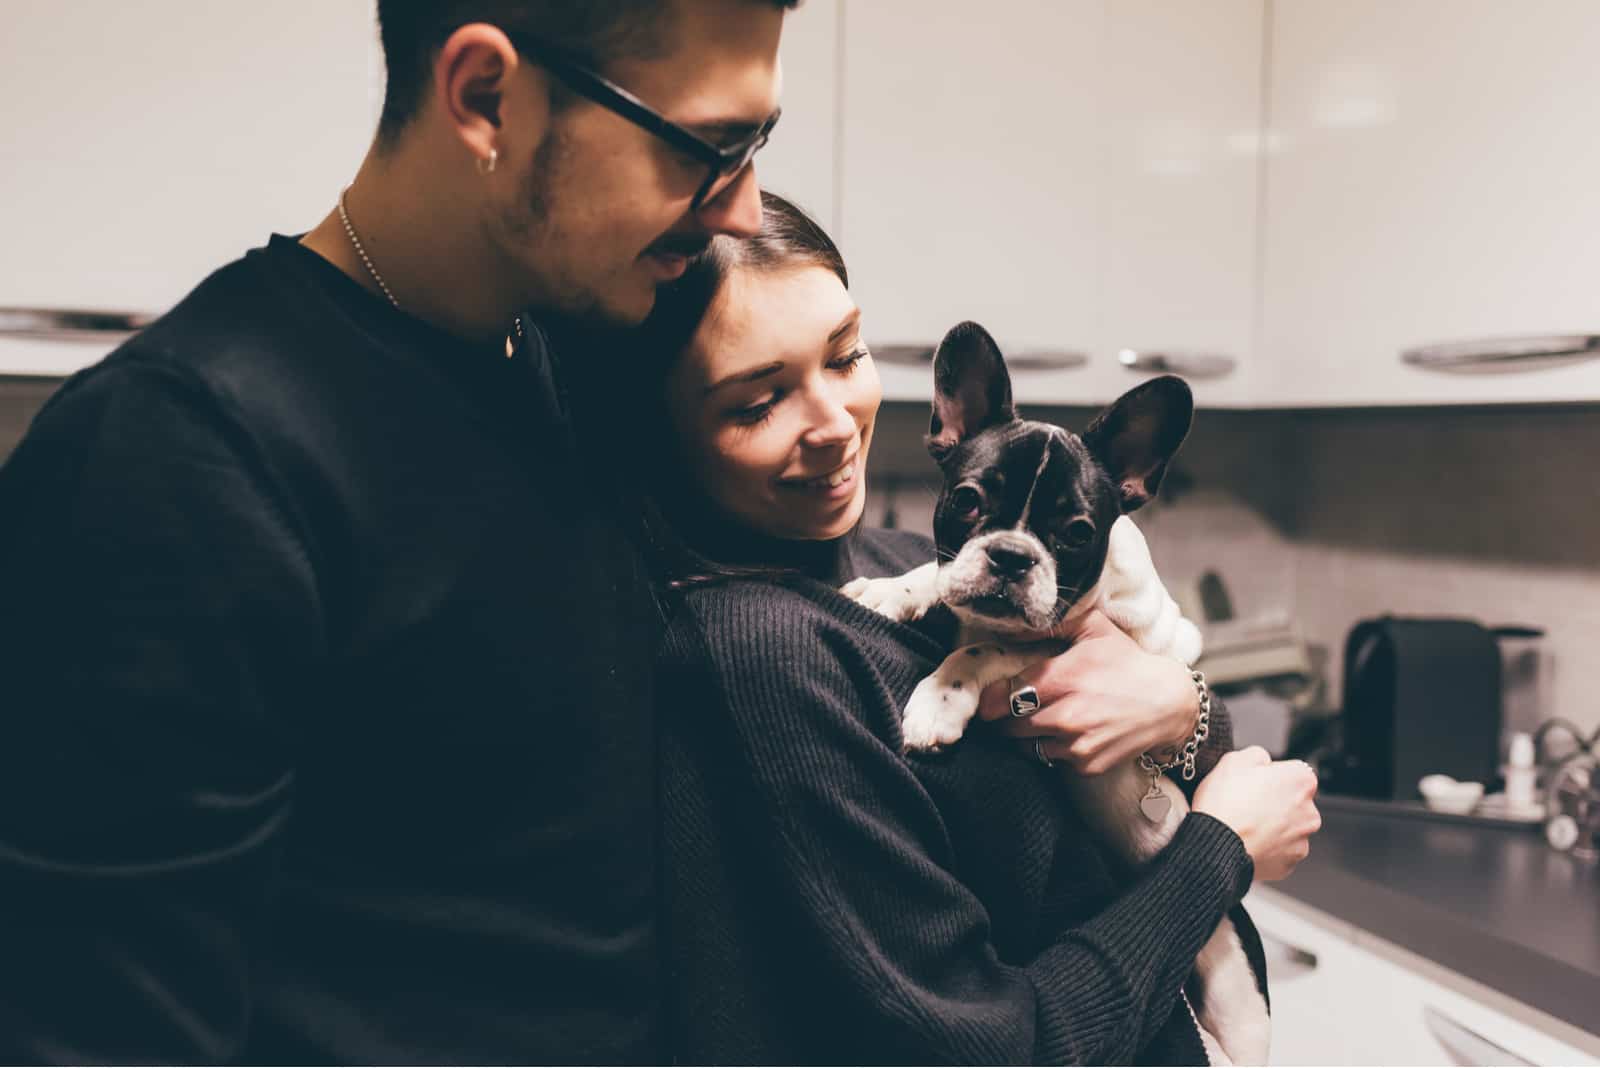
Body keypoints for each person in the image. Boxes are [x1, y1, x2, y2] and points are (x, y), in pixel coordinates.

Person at [0, 2, 795, 1062]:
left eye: (758, 145)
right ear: (484, 98)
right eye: (712, 148)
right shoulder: (177, 460)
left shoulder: (566, 350)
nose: (741, 210)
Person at [628, 192, 1322, 1063]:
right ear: (663, 428)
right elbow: (988, 1048)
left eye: (846, 356)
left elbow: (1171, 729)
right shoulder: (760, 656)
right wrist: (1221, 853)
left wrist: (1178, 707)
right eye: (759, 402)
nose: (837, 424)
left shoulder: (909, 564)